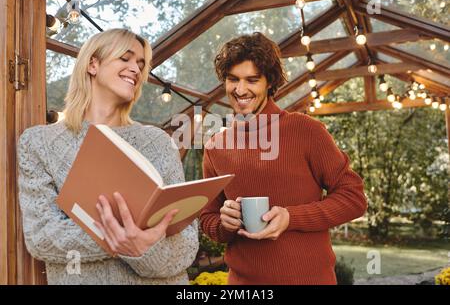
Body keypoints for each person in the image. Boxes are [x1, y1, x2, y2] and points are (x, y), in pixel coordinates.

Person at [17, 29, 198, 285]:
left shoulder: (159, 142)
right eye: (125, 58)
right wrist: (126, 239)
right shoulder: (39, 143)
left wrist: (144, 249)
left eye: (140, 64)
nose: (135, 69)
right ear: (93, 64)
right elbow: (42, 237)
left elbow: (186, 245)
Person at [199, 32, 367, 285]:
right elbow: (208, 219)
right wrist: (225, 223)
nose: (240, 89)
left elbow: (354, 198)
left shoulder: (305, 130)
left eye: (252, 80)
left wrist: (291, 218)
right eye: (233, 79)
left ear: (269, 82)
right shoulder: (215, 146)